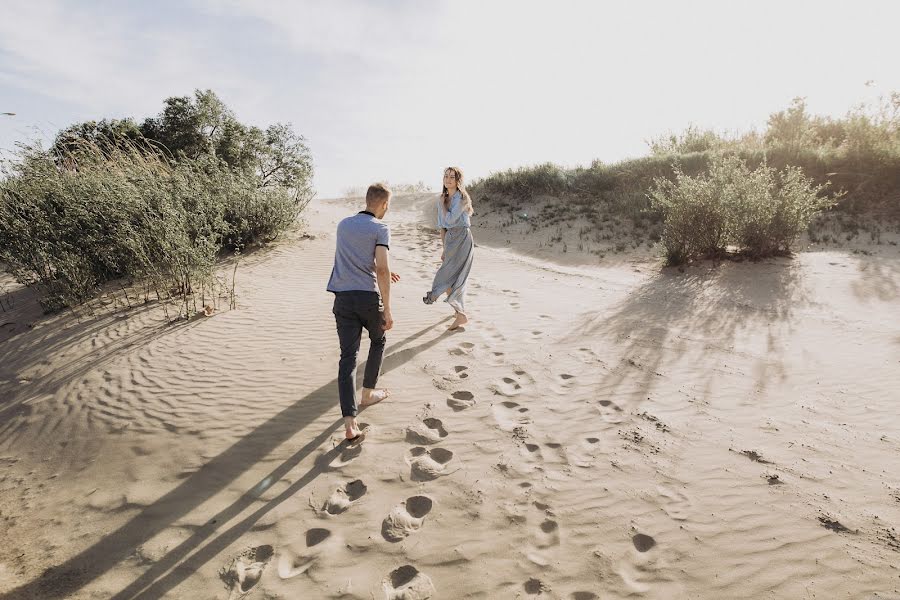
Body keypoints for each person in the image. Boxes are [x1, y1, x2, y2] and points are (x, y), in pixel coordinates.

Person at [327, 183, 399, 444]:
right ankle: (368, 394)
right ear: (382, 204)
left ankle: (350, 423)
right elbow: (380, 268)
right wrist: (388, 309)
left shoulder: (343, 225)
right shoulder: (381, 228)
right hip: (368, 298)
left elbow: (353, 257)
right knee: (378, 341)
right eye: (387, 205)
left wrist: (381, 270)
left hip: (343, 299)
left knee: (348, 358)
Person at [423, 166, 475, 330]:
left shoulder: (461, 197)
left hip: (462, 238)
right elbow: (442, 226)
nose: (448, 179)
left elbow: (451, 220)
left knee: (445, 277)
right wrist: (445, 249)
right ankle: (459, 310)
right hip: (451, 239)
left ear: (458, 180)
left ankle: (461, 314)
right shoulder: (442, 198)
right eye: (446, 176)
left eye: (452, 177)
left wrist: (442, 205)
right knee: (451, 275)